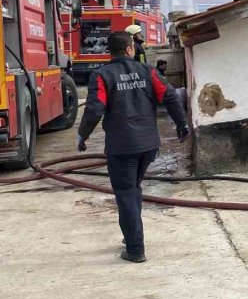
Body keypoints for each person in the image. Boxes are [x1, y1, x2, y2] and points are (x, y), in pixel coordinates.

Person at [77, 31, 189, 263]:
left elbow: (95, 109)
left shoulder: (101, 75)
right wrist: (182, 124)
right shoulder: (148, 71)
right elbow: (170, 97)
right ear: (130, 49)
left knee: (126, 194)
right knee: (133, 189)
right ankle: (131, 237)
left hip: (121, 146)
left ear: (111, 51)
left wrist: (82, 135)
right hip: (148, 145)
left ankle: (135, 249)